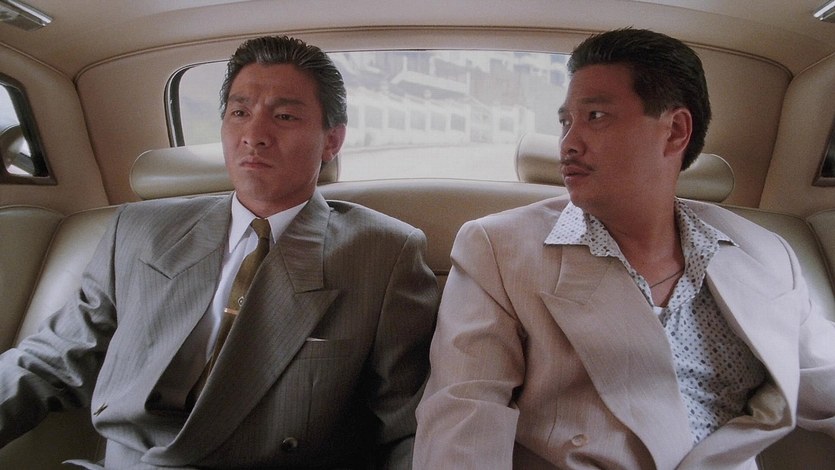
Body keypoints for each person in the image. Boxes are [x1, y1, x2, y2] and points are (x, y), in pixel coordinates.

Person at [0, 35, 438, 469]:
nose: (254, 135)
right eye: (239, 113)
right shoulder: (138, 230)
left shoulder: (382, 253)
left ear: (332, 141)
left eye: (284, 116)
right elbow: (53, 359)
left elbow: (408, 425)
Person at [413, 28, 835, 469]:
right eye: (565, 122)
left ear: (675, 131)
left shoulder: (766, 252)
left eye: (595, 116)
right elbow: (463, 424)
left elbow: (825, 382)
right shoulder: (500, 248)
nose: (568, 143)